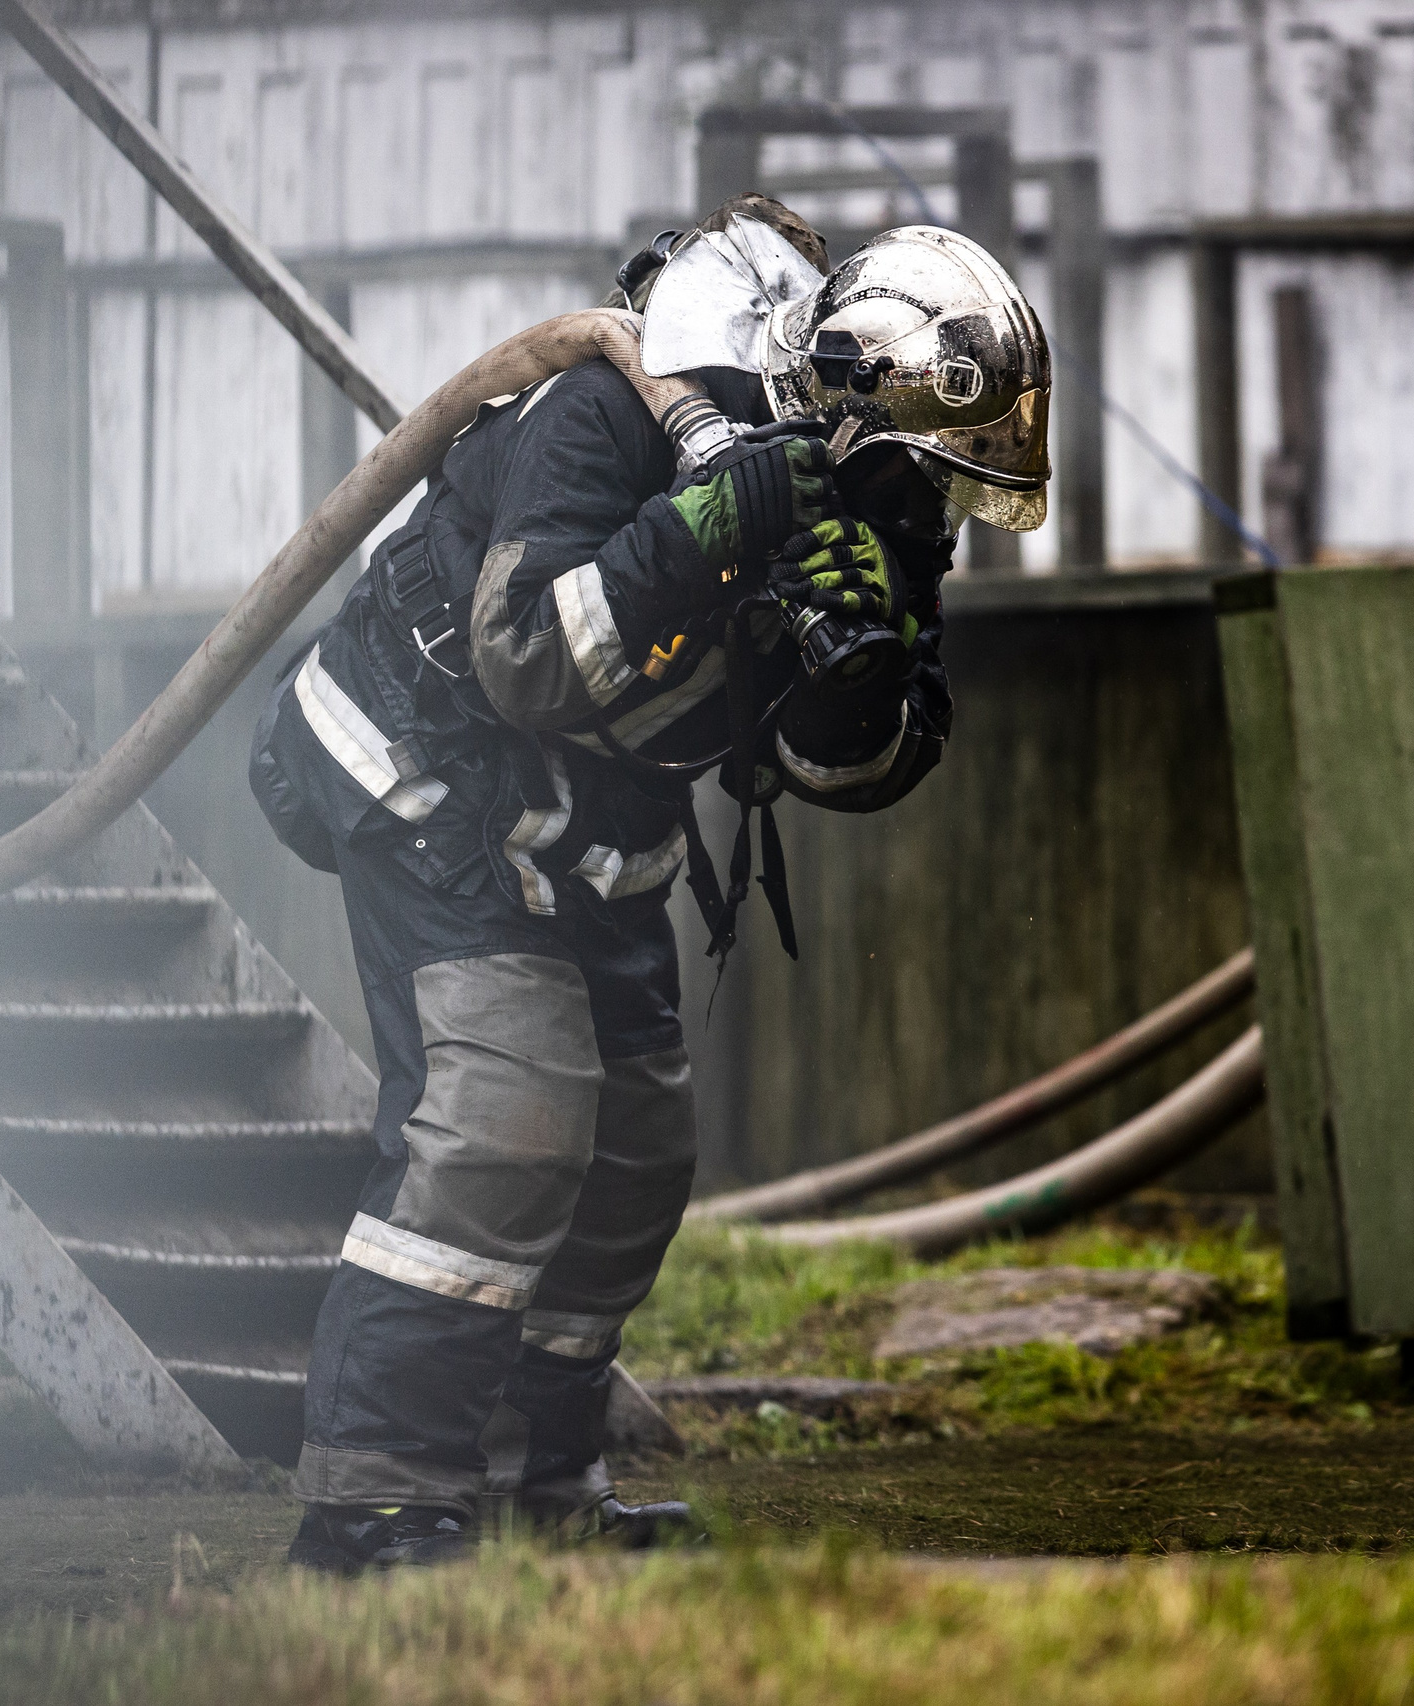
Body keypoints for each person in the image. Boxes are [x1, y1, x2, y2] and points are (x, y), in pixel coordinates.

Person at [251, 196, 1053, 1573]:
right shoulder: (617, 408)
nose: (932, 513)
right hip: (431, 758)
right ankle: (376, 1493)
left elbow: (846, 759)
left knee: (636, 1152)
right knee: (505, 1117)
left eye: (951, 488)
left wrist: (853, 691)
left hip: (602, 811)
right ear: (848, 404)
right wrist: (700, 531)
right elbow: (522, 657)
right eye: (926, 475)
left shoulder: (886, 511)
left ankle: (536, 1479)